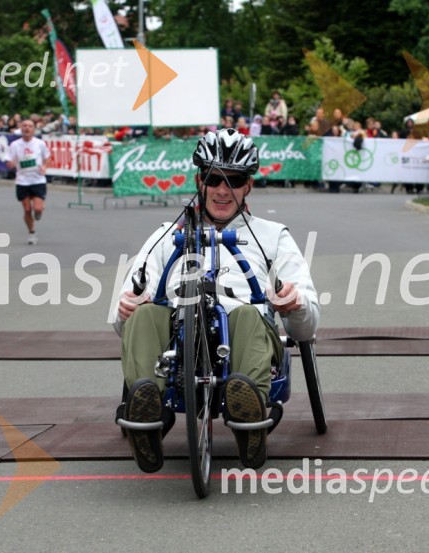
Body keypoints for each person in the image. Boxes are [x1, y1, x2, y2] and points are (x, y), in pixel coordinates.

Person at [112, 128, 319, 472]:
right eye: (213, 178)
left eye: (234, 180)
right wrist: (127, 309)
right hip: (176, 330)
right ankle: (148, 417)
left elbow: (307, 325)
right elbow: (122, 323)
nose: (223, 190)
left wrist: (294, 304)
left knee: (250, 317)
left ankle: (248, 414)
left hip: (244, 325)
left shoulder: (272, 235)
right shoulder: (167, 234)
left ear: (248, 185)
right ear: (199, 180)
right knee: (144, 316)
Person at [5, 119, 50, 245]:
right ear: (21, 128)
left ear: (34, 129)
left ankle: (39, 210)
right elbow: (8, 161)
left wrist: (45, 167)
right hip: (22, 181)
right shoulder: (15, 145)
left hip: (38, 179)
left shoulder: (40, 143)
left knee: (37, 208)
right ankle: (31, 232)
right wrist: (11, 164)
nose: (27, 128)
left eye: (30, 126)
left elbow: (47, 158)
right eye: (24, 126)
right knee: (27, 209)